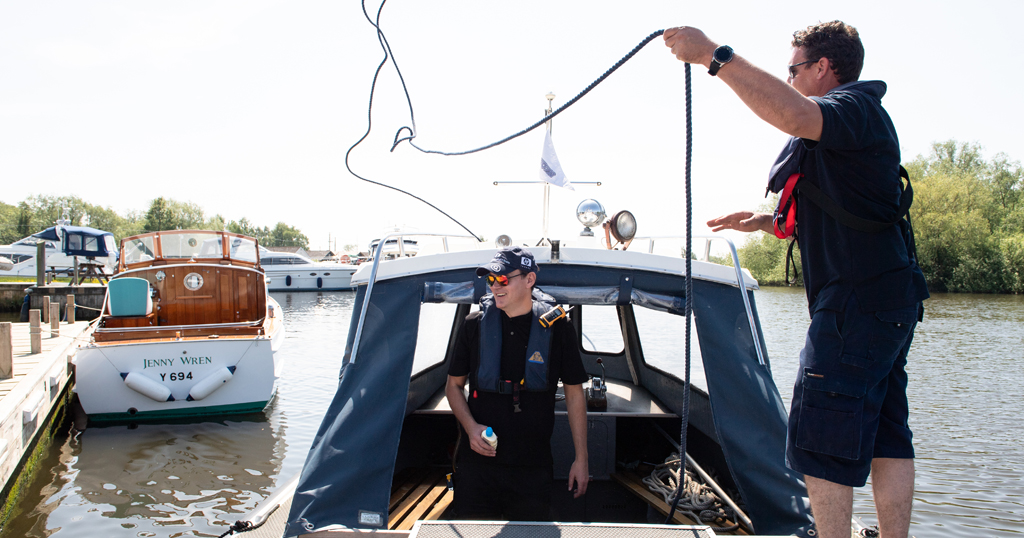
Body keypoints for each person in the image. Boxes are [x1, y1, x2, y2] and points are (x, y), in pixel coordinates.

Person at [665, 21, 928, 538]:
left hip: (854, 304)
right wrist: (763, 221)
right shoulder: (857, 127)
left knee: (819, 435)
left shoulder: (850, 109)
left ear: (824, 68)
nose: (791, 77)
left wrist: (714, 58)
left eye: (794, 69)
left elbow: (794, 113)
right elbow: (844, 211)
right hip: (885, 301)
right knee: (885, 434)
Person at [446, 246, 590, 520]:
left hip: (531, 468)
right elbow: (453, 387)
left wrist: (581, 459)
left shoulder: (558, 328)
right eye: (490, 280)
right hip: (478, 467)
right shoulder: (473, 325)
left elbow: (574, 393)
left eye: (502, 279)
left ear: (529, 280)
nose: (495, 286)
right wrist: (471, 428)